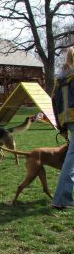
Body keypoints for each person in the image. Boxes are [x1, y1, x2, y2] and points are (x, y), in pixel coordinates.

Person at [51, 47, 74, 209]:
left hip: (66, 119)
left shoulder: (60, 78)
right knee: (72, 159)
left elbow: (54, 102)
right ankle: (62, 199)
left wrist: (61, 126)